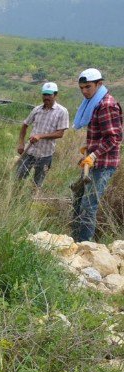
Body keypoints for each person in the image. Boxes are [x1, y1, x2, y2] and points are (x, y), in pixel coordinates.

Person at [72, 68, 122, 242]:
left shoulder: (106, 104)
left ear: (99, 84)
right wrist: (89, 147)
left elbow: (115, 137)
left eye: (88, 87)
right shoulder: (93, 102)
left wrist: (94, 155)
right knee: (78, 201)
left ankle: (84, 247)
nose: (85, 91)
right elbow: (101, 132)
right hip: (92, 161)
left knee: (87, 207)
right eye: (82, 88)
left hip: (103, 164)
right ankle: (74, 242)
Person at [16, 82, 69, 187]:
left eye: (49, 95)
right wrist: (21, 143)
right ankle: (14, 198)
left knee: (37, 183)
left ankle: (32, 201)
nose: (46, 97)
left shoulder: (62, 111)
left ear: (55, 95)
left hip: (45, 154)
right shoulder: (37, 109)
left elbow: (60, 133)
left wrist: (40, 136)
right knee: (18, 178)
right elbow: (25, 125)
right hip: (29, 151)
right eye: (44, 94)